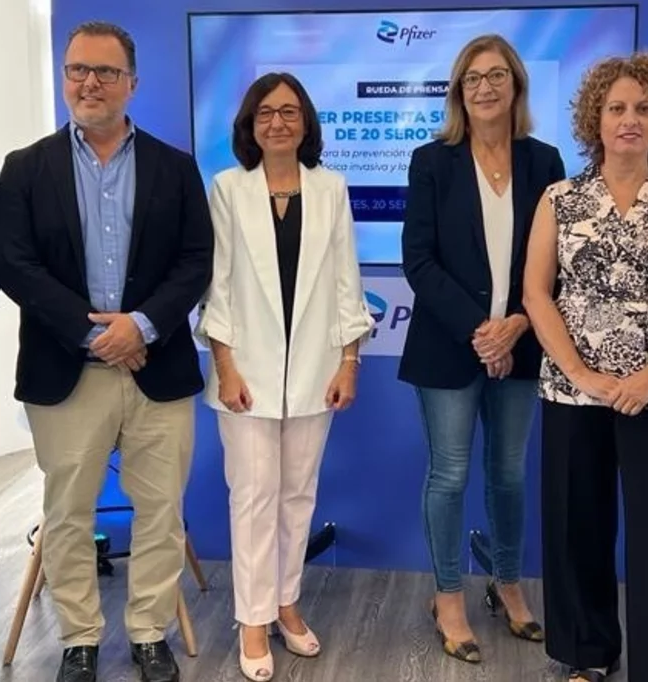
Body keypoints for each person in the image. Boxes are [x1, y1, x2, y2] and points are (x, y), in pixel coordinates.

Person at [0, 21, 213, 682]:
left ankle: (149, 632)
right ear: (65, 77)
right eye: (77, 70)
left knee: (161, 512)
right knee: (66, 516)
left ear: (132, 84)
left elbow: (196, 260)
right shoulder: (26, 168)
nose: (90, 83)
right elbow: (16, 265)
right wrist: (98, 334)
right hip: (66, 372)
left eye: (106, 72)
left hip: (157, 368)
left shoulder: (175, 167)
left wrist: (140, 326)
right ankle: (79, 639)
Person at [523, 52, 648, 682]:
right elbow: (536, 295)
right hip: (573, 389)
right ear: (594, 119)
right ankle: (587, 655)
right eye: (616, 108)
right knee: (579, 525)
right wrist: (581, 374)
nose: (629, 120)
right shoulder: (561, 199)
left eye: (643, 108)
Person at [195, 72, 373, 681]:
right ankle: (252, 619)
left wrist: (349, 362)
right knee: (253, 498)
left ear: (306, 123)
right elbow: (215, 286)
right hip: (245, 371)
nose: (278, 122)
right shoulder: (226, 189)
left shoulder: (331, 188)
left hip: (316, 372)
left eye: (290, 112)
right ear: (250, 124)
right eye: (266, 113)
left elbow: (348, 283)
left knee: (298, 495)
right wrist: (223, 365)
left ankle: (286, 603)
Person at [398, 34, 565, 663]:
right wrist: (481, 329)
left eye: (497, 75)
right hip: (448, 346)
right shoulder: (431, 161)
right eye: (473, 77)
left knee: (509, 475)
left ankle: (509, 586)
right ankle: (447, 596)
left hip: (523, 347)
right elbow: (419, 259)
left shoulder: (544, 161)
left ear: (516, 85)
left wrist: (517, 325)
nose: (485, 87)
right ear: (458, 91)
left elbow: (555, 262)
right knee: (450, 475)